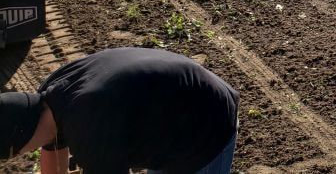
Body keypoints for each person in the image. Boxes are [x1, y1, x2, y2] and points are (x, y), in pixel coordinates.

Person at [0, 47, 238, 173]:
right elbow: (53, 158)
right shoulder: (48, 99)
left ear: (19, 146)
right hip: (170, 115)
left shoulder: (90, 128)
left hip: (206, 124)